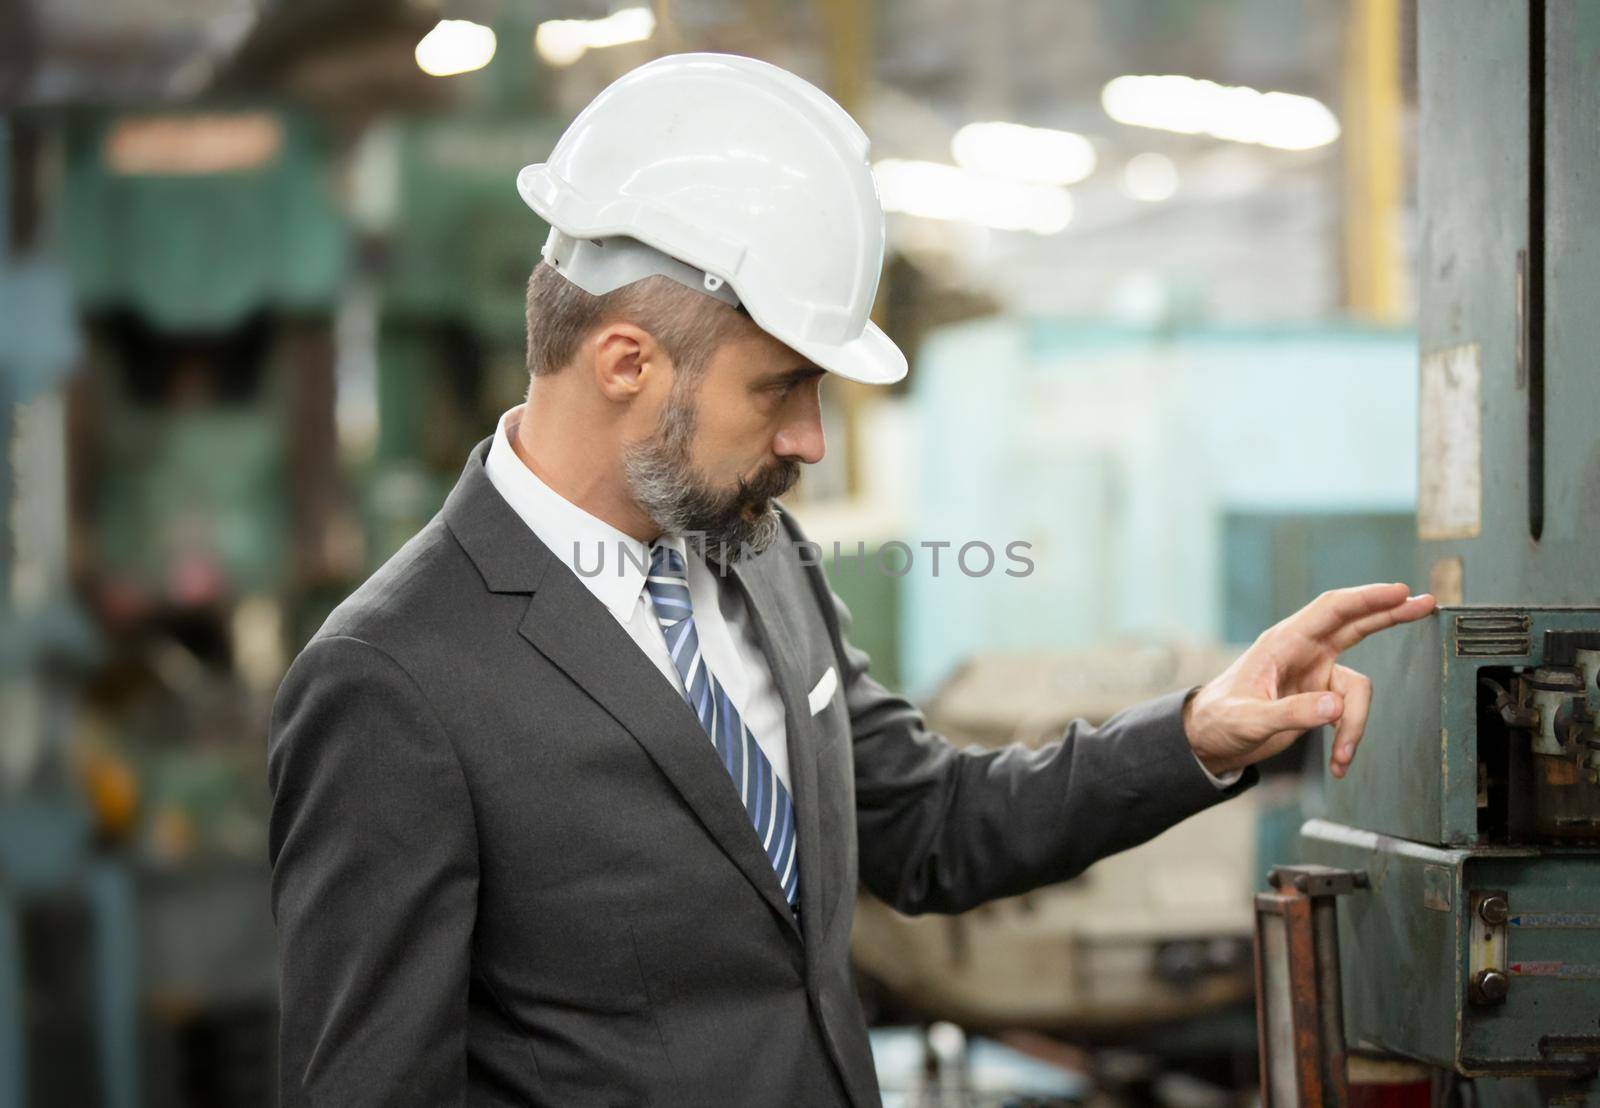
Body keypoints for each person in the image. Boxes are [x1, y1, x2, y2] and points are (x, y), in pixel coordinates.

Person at [266, 53, 1434, 1107]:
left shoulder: (757, 556)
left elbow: (928, 824)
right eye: (780, 388)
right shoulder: (395, 681)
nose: (812, 442)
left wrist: (1200, 732)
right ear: (626, 361)